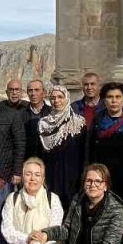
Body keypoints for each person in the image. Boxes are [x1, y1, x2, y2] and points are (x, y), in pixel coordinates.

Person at [33, 82, 86, 211]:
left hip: (73, 177)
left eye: (60, 97)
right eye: (53, 98)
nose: (56, 101)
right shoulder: (43, 124)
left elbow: (84, 152)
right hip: (51, 176)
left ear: (66, 98)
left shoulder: (78, 123)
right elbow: (39, 153)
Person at [21, 78, 52, 155]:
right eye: (30, 90)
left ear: (44, 93)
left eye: (37, 90)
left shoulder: (52, 113)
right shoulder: (20, 114)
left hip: (47, 158)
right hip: (27, 158)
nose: (33, 93)